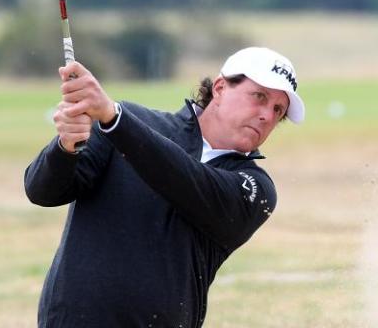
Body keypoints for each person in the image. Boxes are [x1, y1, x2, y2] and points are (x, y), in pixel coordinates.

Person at [24, 46, 305, 327]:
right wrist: (65, 147)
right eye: (259, 97)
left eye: (278, 110)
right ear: (220, 88)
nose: (267, 115)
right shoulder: (128, 123)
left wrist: (115, 120)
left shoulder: (256, 188)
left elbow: (187, 180)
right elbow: (41, 190)